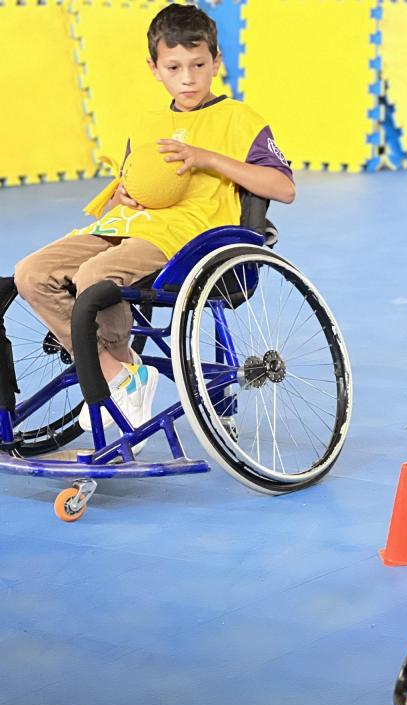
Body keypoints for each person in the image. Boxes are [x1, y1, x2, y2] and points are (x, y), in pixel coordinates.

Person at [12, 4, 295, 442]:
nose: (188, 77)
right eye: (175, 67)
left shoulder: (240, 120)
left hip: (187, 239)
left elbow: (283, 187)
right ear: (155, 68)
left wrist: (207, 159)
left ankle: (116, 372)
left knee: (95, 276)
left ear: (216, 63)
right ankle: (120, 372)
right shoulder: (147, 124)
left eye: (199, 65)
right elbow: (133, 184)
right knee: (31, 273)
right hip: (126, 226)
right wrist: (122, 194)